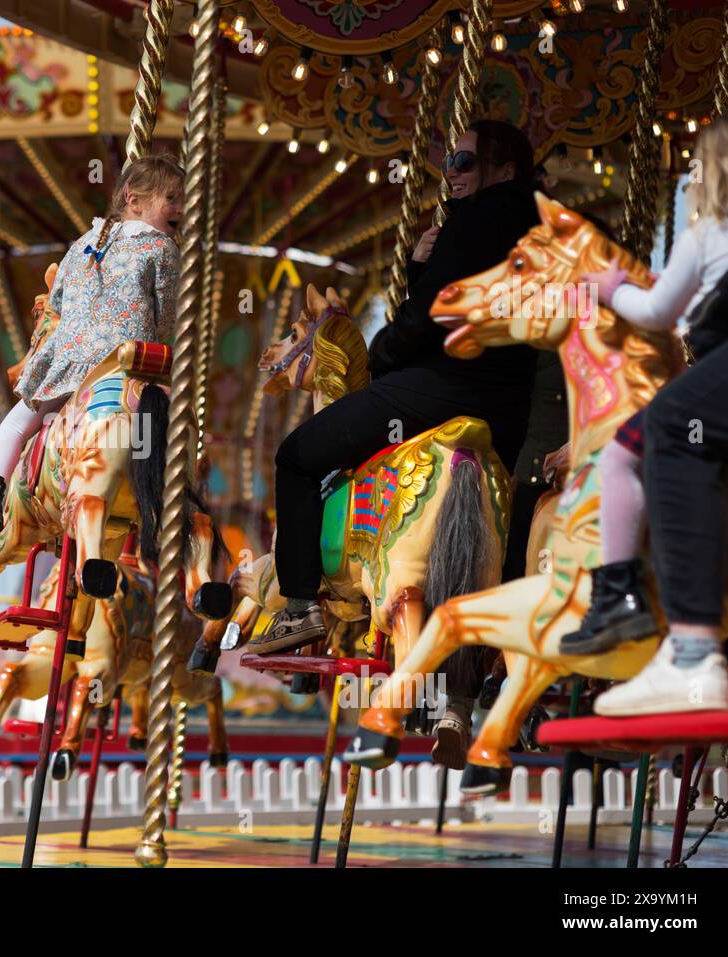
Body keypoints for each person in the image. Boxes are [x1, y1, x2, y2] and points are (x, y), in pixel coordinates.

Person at [256, 120, 544, 758]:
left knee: (298, 458)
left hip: (438, 391)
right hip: (507, 416)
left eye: (465, 161)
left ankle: (303, 602)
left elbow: (423, 322)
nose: (454, 174)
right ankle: (473, 692)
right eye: (451, 162)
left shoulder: (475, 221)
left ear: (501, 168)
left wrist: (380, 356)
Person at [560, 105, 728, 660]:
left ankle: (617, 590)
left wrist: (611, 290)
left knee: (622, 456)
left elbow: (657, 313)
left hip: (725, 375)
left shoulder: (710, 230)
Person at [0, 153, 184, 558]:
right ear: (134, 198)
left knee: (19, 421)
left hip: (68, 361)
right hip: (124, 363)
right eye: (173, 198)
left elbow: (57, 304)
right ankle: (156, 495)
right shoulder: (162, 247)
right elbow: (167, 316)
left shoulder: (82, 244)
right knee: (160, 424)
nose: (181, 209)